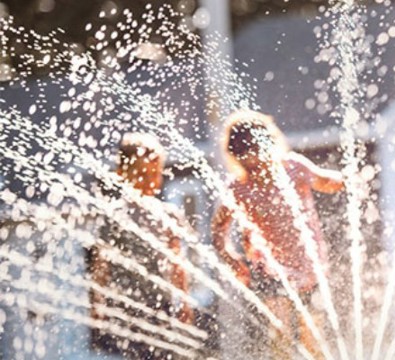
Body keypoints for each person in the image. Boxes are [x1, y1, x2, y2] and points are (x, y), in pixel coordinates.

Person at [211, 109, 343, 358]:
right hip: (269, 268)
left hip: (309, 268)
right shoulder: (237, 188)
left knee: (312, 335)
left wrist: (343, 178)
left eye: (257, 154)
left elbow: (324, 180)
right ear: (236, 157)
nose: (256, 164)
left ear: (269, 143)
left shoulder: (292, 167)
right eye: (246, 158)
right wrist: (231, 258)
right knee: (280, 330)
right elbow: (218, 230)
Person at [87, 132, 194, 359]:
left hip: (159, 305)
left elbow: (178, 263)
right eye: (143, 174)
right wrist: (97, 305)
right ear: (122, 174)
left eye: (155, 173)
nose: (151, 180)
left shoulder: (168, 216)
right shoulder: (114, 215)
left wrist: (184, 302)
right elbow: (101, 264)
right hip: (122, 305)